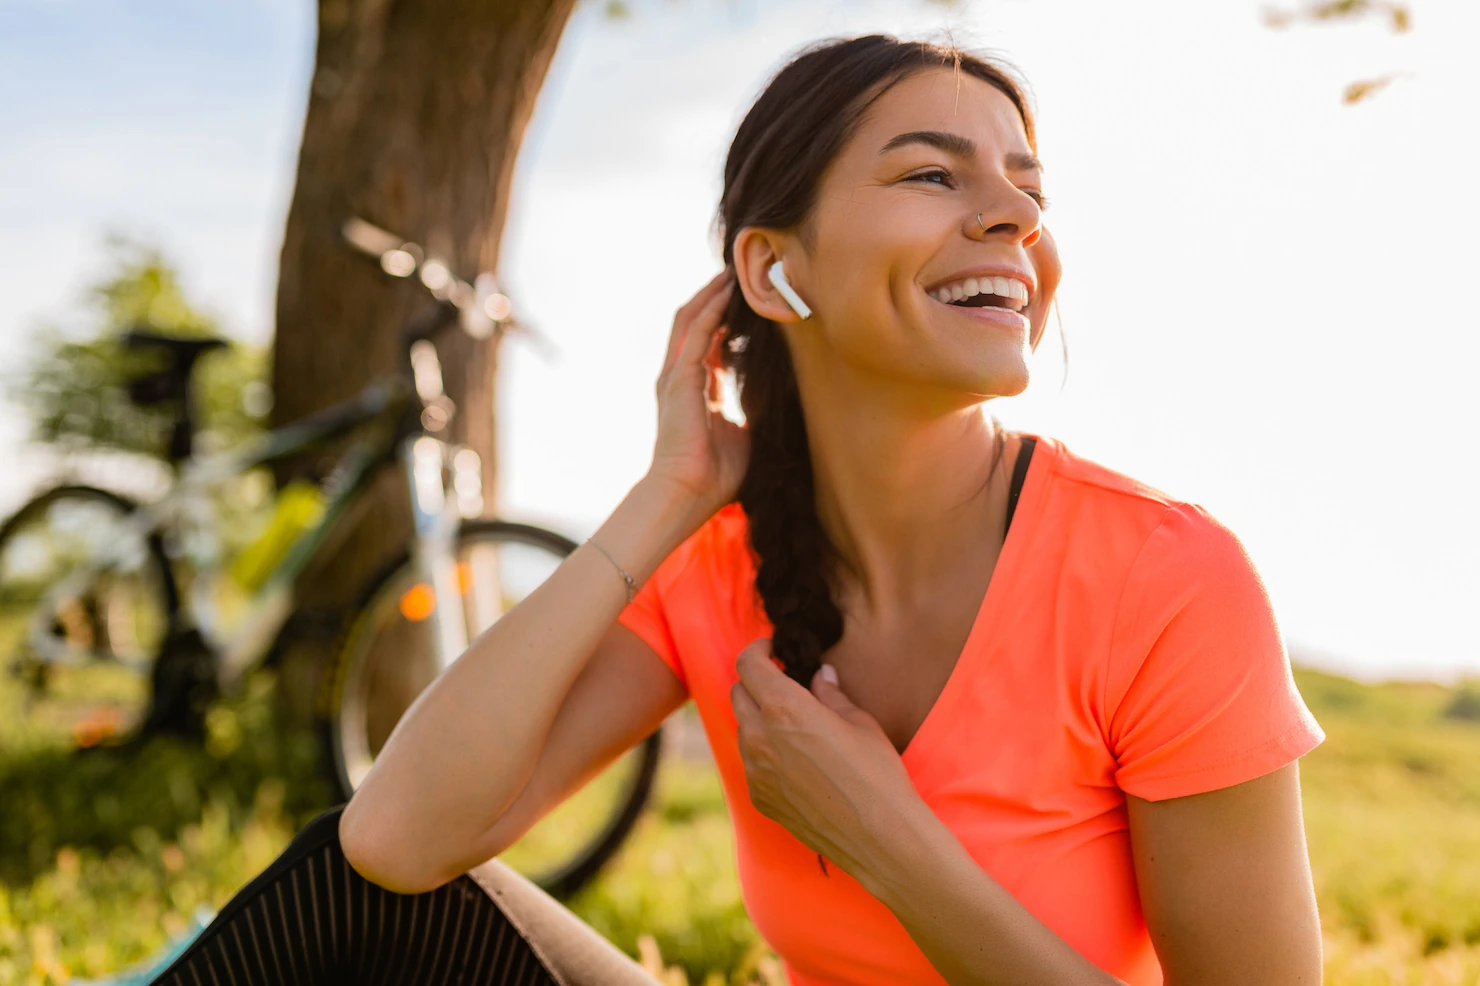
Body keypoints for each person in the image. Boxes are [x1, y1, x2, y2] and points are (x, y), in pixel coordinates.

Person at [149, 33, 1327, 986]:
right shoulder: (716, 560)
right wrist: (667, 494)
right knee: (369, 904)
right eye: (933, 173)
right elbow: (394, 842)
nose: (1013, 216)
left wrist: (888, 840)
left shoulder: (1164, 575)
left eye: (1028, 186)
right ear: (772, 271)